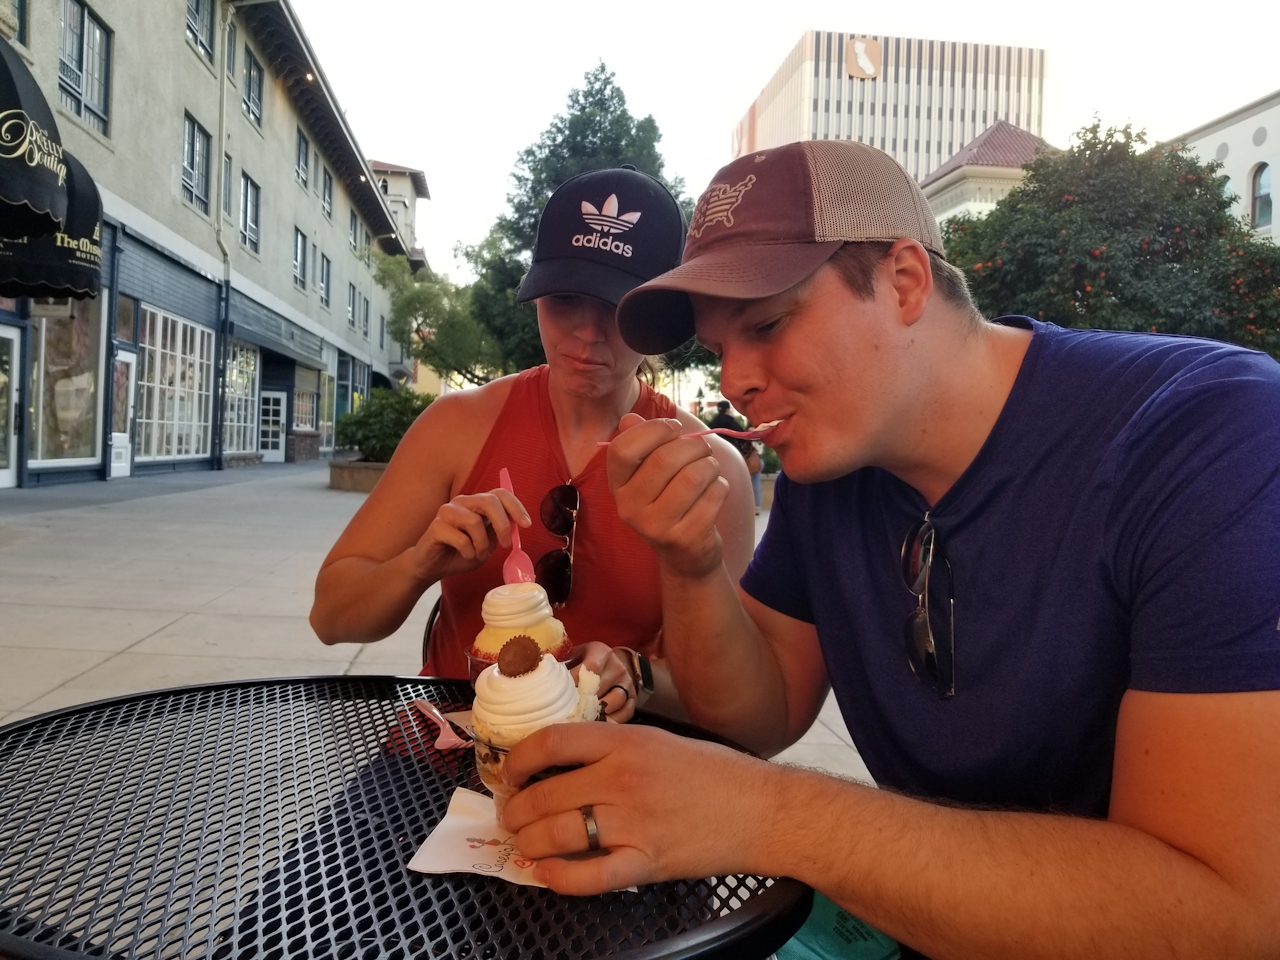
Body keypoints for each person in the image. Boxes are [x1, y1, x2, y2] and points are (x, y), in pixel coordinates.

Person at [494, 141, 1280, 957]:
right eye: (721, 348)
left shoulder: (1211, 434)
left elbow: (1231, 914)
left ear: (905, 280)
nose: (735, 380)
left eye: (766, 324)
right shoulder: (832, 472)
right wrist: (688, 561)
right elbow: (761, 714)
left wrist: (766, 814)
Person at [310, 165, 755, 722]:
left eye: (618, 308)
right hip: (454, 753)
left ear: (657, 317)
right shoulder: (456, 428)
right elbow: (331, 617)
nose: (588, 333)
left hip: (624, 768)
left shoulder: (711, 469)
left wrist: (637, 675)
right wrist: (418, 564)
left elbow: (731, 701)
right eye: (566, 298)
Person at [706, 399, 764, 513]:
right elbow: (743, 440)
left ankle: (720, 507)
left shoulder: (712, 424)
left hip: (714, 458)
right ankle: (742, 507)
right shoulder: (733, 424)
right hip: (732, 458)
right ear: (728, 409)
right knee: (737, 483)